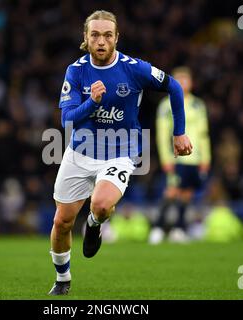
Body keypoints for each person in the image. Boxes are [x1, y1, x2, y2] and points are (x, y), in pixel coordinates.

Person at [48, 10, 193, 295]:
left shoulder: (134, 68)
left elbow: (173, 86)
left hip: (121, 151)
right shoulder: (75, 71)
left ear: (116, 38)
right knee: (62, 221)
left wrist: (179, 132)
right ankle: (63, 278)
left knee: (101, 205)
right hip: (80, 152)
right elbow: (67, 120)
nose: (101, 41)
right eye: (95, 35)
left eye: (107, 35)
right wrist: (92, 102)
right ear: (86, 38)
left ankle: (94, 223)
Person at [149, 67, 211, 244]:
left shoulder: (198, 105)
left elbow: (203, 134)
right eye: (180, 80)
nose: (184, 83)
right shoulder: (166, 104)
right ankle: (158, 228)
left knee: (187, 194)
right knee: (171, 192)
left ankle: (178, 228)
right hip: (175, 157)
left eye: (186, 80)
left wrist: (206, 158)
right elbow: (162, 134)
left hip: (195, 157)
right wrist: (165, 158)